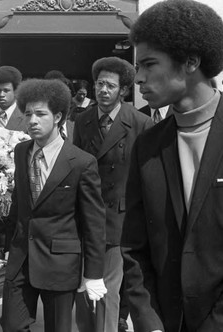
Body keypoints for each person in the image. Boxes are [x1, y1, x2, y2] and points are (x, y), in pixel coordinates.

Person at [122, 1, 223, 331]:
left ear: (191, 61)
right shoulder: (148, 144)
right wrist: (148, 319)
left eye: (149, 64)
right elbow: (134, 247)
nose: (138, 78)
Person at [1, 78, 106, 332]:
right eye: (27, 114)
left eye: (40, 114)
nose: (32, 121)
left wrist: (93, 273)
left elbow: (93, 221)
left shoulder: (82, 162)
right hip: (21, 257)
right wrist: (7, 245)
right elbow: (19, 204)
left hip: (60, 263)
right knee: (12, 325)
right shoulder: (21, 151)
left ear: (58, 116)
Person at [73, 57, 152, 332]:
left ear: (124, 90)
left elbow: (148, 178)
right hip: (85, 216)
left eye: (110, 85)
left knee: (107, 289)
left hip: (119, 219)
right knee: (83, 287)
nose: (103, 90)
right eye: (99, 84)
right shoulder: (82, 121)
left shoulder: (140, 123)